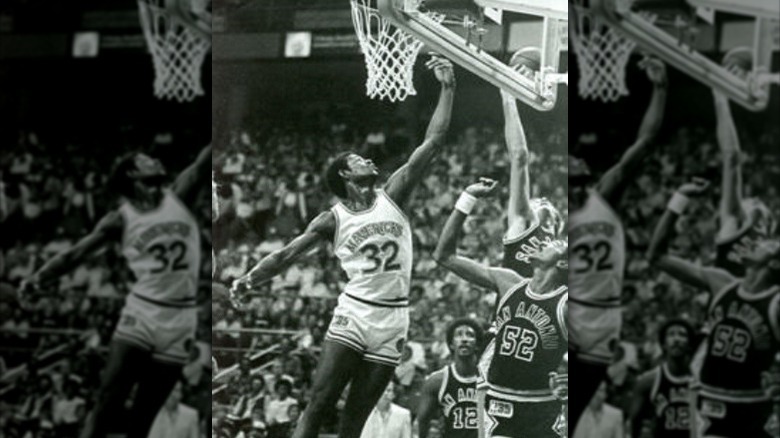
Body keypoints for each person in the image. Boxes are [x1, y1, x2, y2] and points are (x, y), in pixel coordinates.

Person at [230, 56, 456, 438]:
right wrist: (249, 279)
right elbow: (286, 255)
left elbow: (432, 143)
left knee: (355, 421)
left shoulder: (394, 194)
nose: (368, 158)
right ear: (345, 175)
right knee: (319, 403)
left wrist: (448, 87)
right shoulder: (331, 219)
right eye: (358, 159)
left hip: (394, 319)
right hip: (355, 312)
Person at [19, 145, 211, 438]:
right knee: (108, 402)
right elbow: (74, 255)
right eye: (146, 160)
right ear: (132, 174)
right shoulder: (120, 219)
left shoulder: (179, 197)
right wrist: (38, 277)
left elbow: (202, 163)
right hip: (143, 312)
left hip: (181, 319)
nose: (156, 159)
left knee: (144, 416)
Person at [568, 57, 667, 428]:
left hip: (605, 316)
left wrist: (660, 87)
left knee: (574, 413)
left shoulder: (604, 195)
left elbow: (646, 141)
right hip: (572, 312)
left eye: (579, 171)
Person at [432, 178, 567, 438]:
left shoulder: (564, 303)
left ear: (562, 263)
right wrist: (467, 198)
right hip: (500, 401)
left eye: (551, 241)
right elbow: (444, 256)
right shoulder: (509, 282)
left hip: (542, 406)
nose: (542, 239)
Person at [647, 178, 780, 438]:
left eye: (768, 242)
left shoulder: (776, 303)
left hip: (754, 408)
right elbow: (657, 256)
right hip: (710, 404)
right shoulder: (722, 283)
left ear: (775, 263)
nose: (755, 239)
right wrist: (679, 199)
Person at [711, 91, 775, 276]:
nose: (753, 199)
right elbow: (731, 158)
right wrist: (720, 99)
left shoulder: (766, 249)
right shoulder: (733, 218)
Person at [417, 318, 484, 438]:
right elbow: (422, 422)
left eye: (470, 335)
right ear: (451, 345)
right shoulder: (436, 382)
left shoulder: (490, 379)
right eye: (459, 335)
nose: (464, 339)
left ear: (478, 345)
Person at [628, 319, 694, 438]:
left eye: (682, 335)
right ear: (663, 344)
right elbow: (634, 422)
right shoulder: (648, 381)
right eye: (671, 334)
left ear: (690, 345)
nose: (677, 339)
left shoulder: (700, 380)